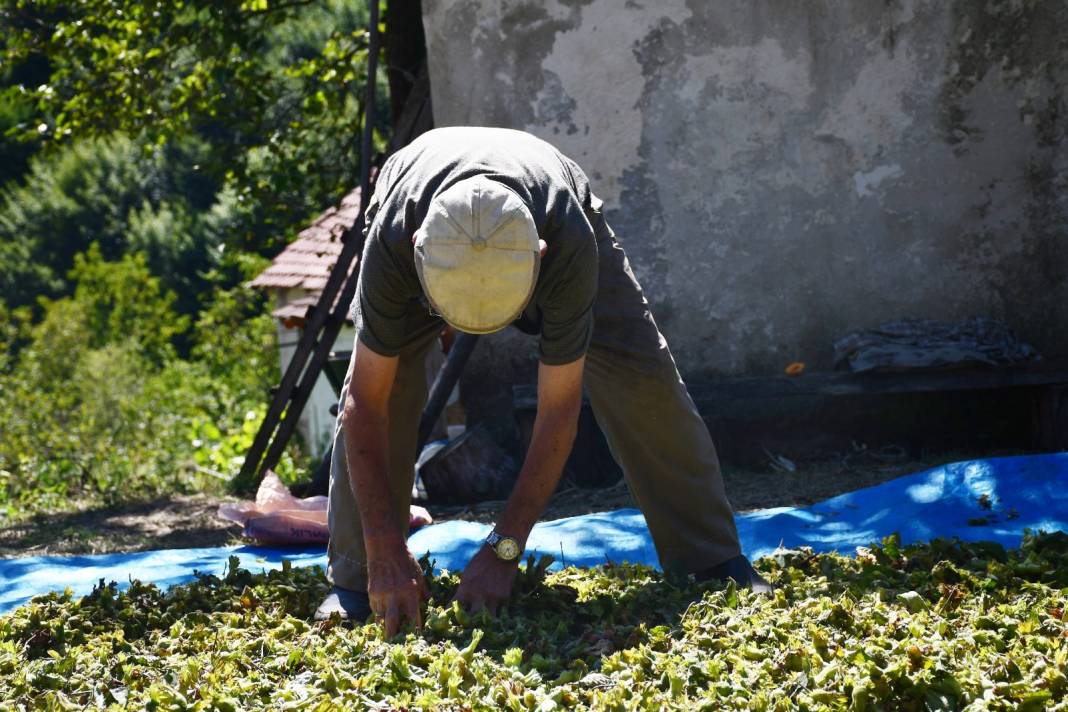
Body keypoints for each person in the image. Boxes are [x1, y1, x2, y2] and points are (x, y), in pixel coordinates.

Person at [315, 127, 771, 633]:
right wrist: (384, 548)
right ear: (419, 248)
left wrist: (504, 549)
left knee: (639, 375)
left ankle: (710, 560)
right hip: (416, 215)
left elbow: (557, 414)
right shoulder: (396, 239)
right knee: (388, 386)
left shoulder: (569, 242)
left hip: (555, 207)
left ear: (541, 254)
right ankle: (359, 582)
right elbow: (363, 404)